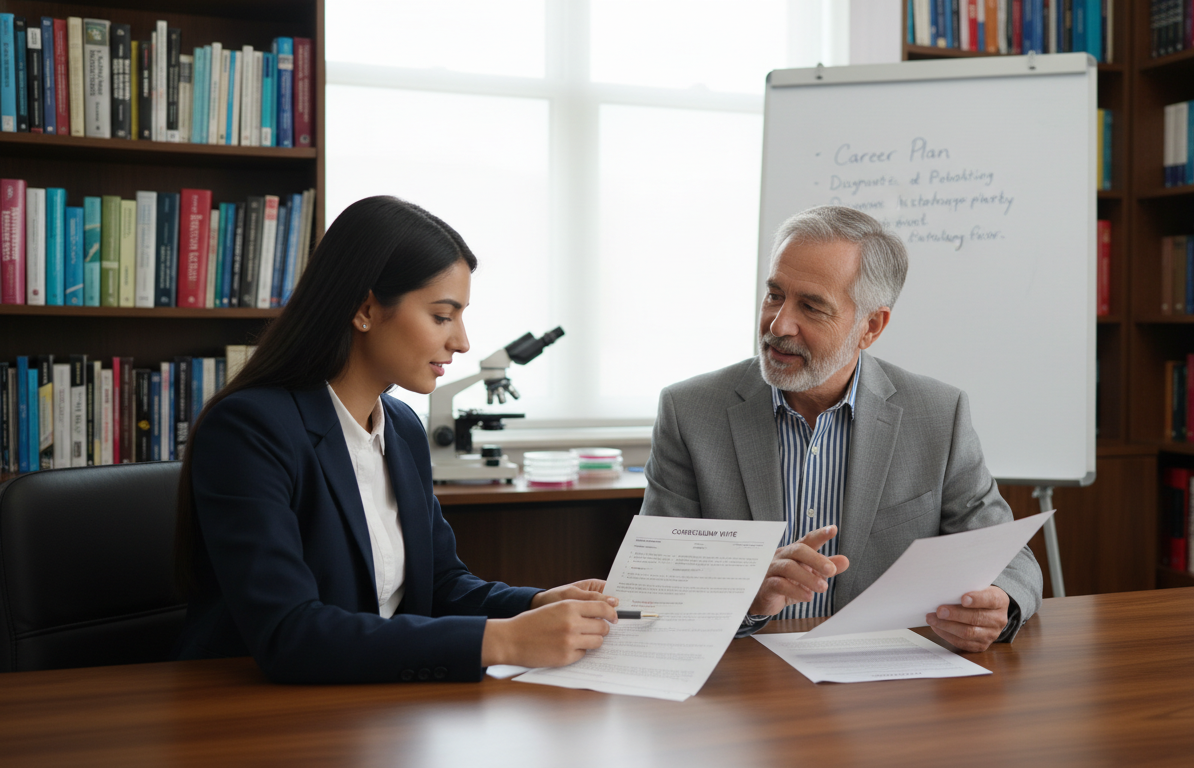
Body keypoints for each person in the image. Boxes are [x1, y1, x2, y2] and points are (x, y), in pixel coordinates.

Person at [173, 196, 618, 683]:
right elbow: (290, 633)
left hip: (376, 706)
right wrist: (505, 639)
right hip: (256, 718)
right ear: (365, 308)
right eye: (443, 316)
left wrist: (536, 603)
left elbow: (441, 583)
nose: (462, 342)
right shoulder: (249, 430)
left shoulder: (402, 427)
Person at [639, 205, 1042, 652]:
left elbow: (1011, 558)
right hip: (741, 673)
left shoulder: (938, 414)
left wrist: (997, 603)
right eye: (775, 295)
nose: (778, 324)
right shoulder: (691, 412)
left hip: (881, 680)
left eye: (811, 307)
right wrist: (749, 598)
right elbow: (657, 581)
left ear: (871, 326)